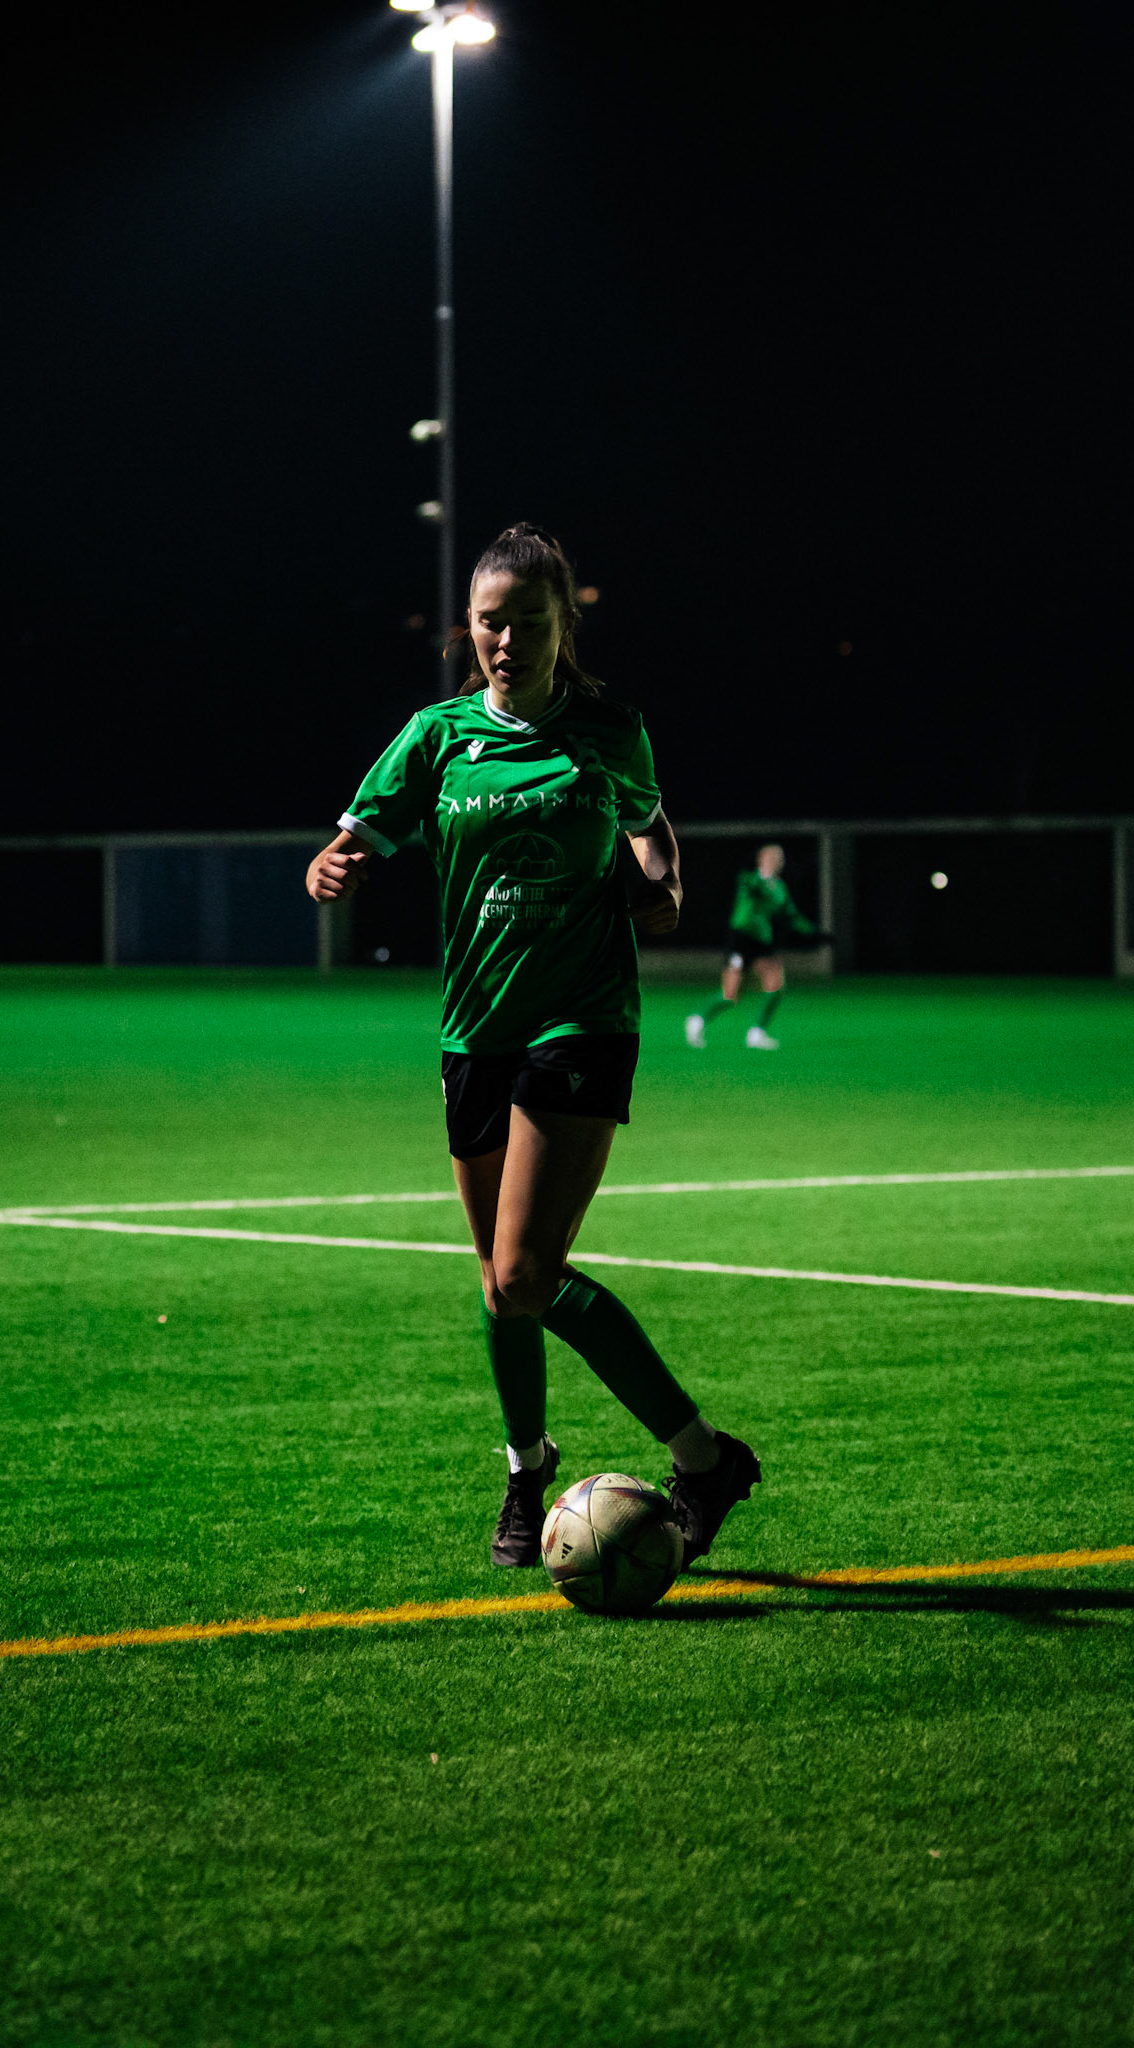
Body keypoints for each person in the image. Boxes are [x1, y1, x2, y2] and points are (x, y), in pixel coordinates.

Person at [306, 524, 760, 1571]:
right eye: (489, 621)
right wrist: (334, 867)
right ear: (470, 627)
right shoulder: (436, 737)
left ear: (566, 623)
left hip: (582, 1019)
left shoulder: (608, 727)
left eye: (527, 620)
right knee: (496, 1276)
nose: (506, 639)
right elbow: (358, 837)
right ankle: (529, 1464)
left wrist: (666, 884)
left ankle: (699, 1454)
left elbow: (652, 827)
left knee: (522, 1271)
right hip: (475, 1028)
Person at [684, 843, 827, 1051]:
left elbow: (791, 916)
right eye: (773, 857)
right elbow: (747, 885)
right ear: (762, 859)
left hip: (762, 942)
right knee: (730, 995)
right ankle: (697, 1020)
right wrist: (761, 880)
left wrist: (814, 933)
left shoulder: (779, 887)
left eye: (780, 857)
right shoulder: (751, 880)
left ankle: (757, 1034)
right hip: (741, 940)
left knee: (776, 985)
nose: (779, 861)